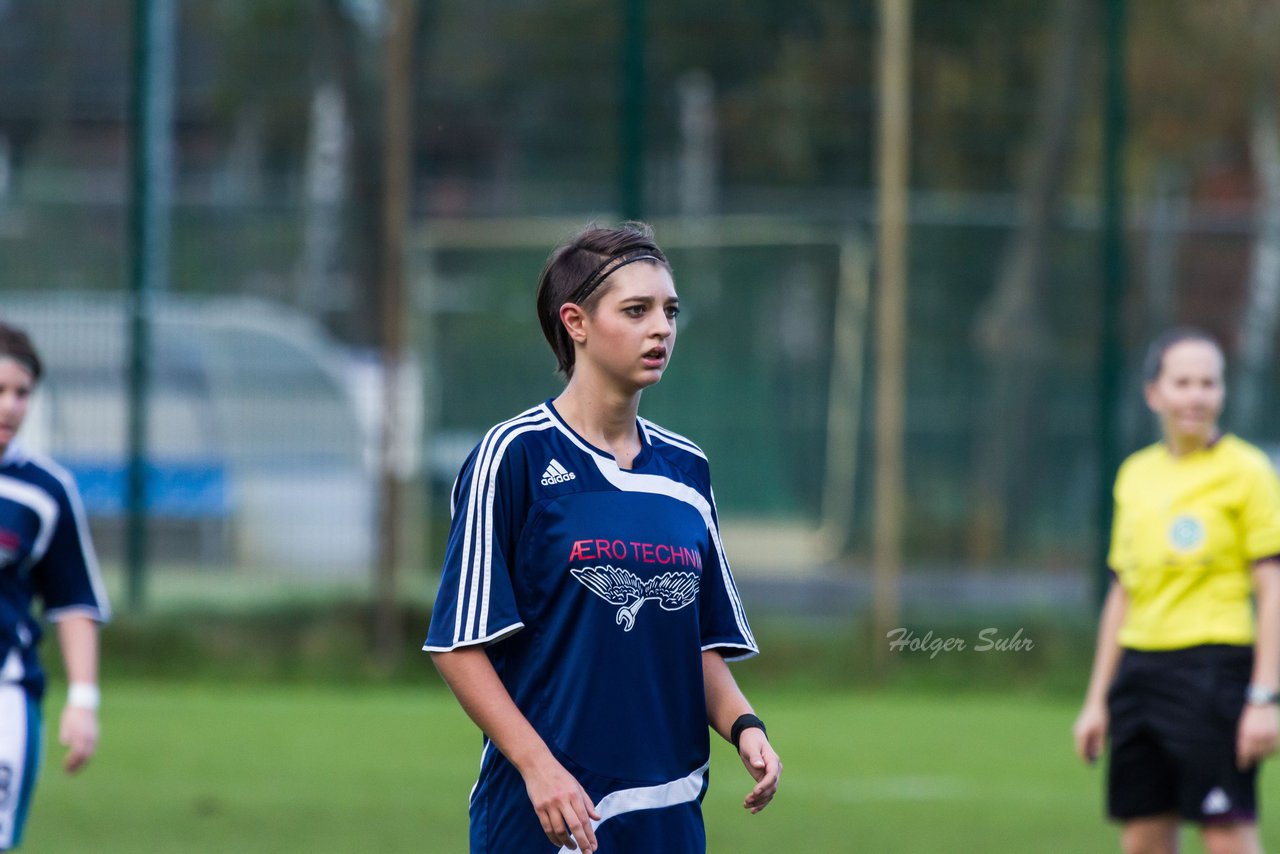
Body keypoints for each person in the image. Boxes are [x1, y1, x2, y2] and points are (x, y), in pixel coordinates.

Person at [424, 222, 781, 853]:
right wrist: (539, 770)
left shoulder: (686, 470)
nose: (662, 329)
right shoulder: (514, 457)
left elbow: (693, 639)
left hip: (669, 813)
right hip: (551, 816)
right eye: (637, 310)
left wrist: (744, 725)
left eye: (670, 311)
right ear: (576, 322)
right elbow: (457, 645)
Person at [1073, 327, 1280, 854]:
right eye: (1182, 382)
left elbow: (1272, 586)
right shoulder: (1135, 475)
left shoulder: (1247, 472)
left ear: (1223, 393)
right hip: (1140, 675)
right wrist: (1097, 700)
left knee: (1225, 834)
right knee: (1142, 837)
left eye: (1209, 383)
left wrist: (1264, 698)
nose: (1196, 395)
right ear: (1154, 393)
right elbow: (1123, 592)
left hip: (1213, 671)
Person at [0, 322, 110, 850]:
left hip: (7, 693)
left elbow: (72, 602)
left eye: (21, 393)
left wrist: (83, 701)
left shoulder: (44, 491)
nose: (11, 406)